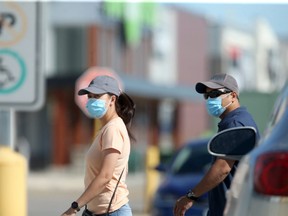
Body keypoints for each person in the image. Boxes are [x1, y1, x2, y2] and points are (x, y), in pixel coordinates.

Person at [173, 73, 260, 216]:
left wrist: (191, 196)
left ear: (233, 95)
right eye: (207, 96)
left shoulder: (235, 124)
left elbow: (223, 168)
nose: (210, 99)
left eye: (214, 94)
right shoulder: (236, 121)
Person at [61, 75, 135, 216]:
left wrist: (74, 207)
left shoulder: (113, 129)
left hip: (112, 211)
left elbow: (105, 176)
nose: (92, 100)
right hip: (96, 211)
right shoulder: (106, 128)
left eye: (97, 96)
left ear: (112, 99)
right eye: (90, 96)